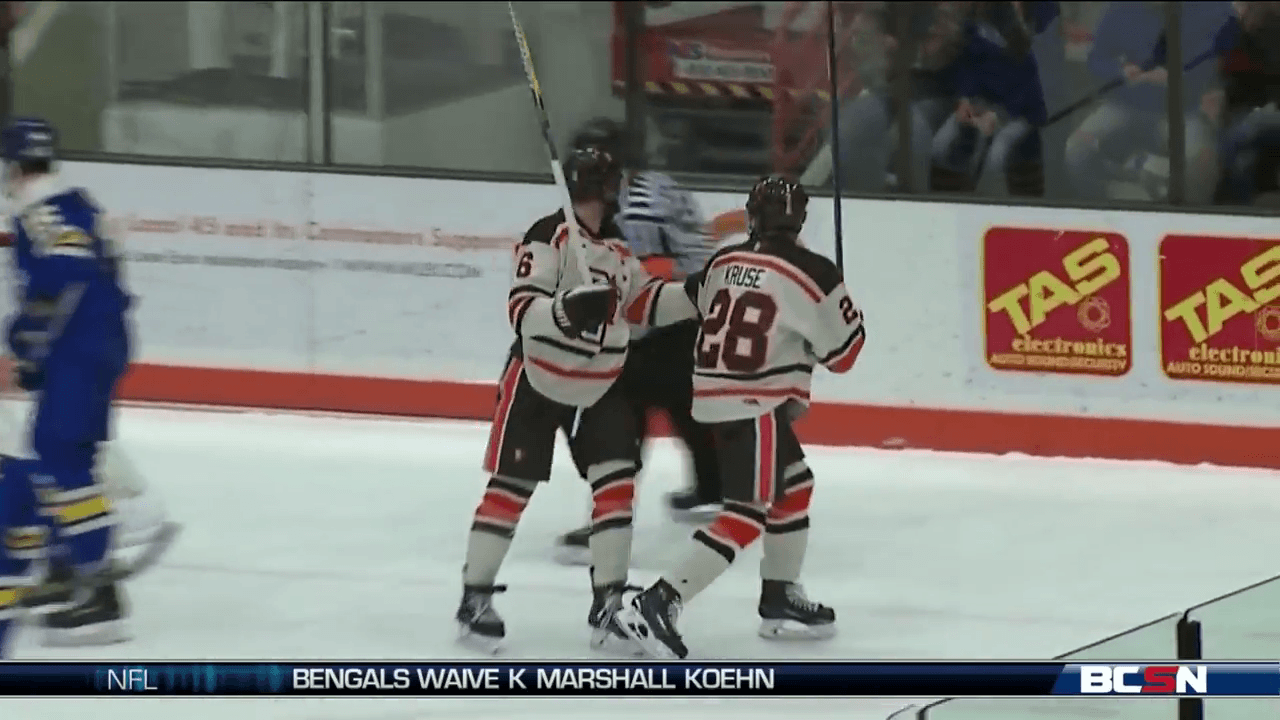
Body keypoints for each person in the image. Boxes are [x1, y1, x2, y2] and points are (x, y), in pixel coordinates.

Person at [455, 147, 699, 653]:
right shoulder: (550, 235)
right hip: (538, 379)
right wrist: (567, 312)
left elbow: (644, 303)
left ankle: (608, 602)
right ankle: (474, 596)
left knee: (616, 480)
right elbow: (523, 309)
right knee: (512, 486)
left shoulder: (614, 248)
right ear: (608, 190)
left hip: (600, 382)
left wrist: (698, 294)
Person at [616, 175, 866, 660]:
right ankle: (658, 602)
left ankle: (779, 595)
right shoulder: (815, 271)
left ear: (752, 217)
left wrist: (619, 290)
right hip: (756, 402)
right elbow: (844, 357)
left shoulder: (724, 261)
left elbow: (660, 304)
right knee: (748, 511)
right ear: (800, 220)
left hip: (714, 395)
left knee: (794, 486)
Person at [553, 118, 724, 566]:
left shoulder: (634, 208)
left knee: (620, 426)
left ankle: (610, 521)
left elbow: (650, 274)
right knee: (686, 408)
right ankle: (714, 488)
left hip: (661, 321)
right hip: (685, 314)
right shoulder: (654, 186)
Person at [2, 116, 134, 645]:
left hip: (77, 350)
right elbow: (107, 269)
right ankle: (68, 569)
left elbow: (64, 274)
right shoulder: (80, 201)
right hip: (99, 344)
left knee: (58, 461)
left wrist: (30, 342)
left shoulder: (41, 211)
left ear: (12, 165)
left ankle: (97, 590)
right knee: (60, 457)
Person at [1063, 1, 1230, 203]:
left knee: (1200, 159)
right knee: (1076, 149)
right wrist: (1120, 72)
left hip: (1182, 111)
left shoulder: (1202, 12)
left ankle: (1181, 218)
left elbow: (1211, 65)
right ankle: (1116, 199)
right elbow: (1096, 59)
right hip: (1124, 106)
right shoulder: (1120, 9)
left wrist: (1177, 77)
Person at [930, 1, 1049, 197]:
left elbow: (1032, 90)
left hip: (1021, 112)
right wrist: (966, 99)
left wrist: (998, 116)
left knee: (996, 156)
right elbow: (968, 67)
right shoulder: (976, 26)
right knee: (940, 146)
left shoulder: (1034, 39)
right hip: (983, 104)